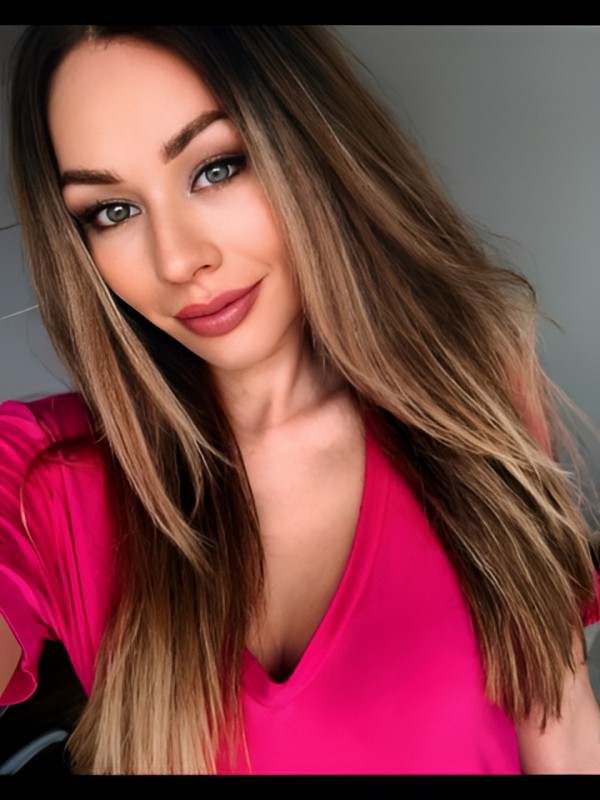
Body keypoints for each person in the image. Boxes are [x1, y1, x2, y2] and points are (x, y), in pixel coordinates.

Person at [0, 24, 599, 775]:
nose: (179, 260)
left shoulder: (470, 396)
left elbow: (564, 736)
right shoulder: (40, 474)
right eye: (113, 212)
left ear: (307, 142)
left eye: (215, 168)